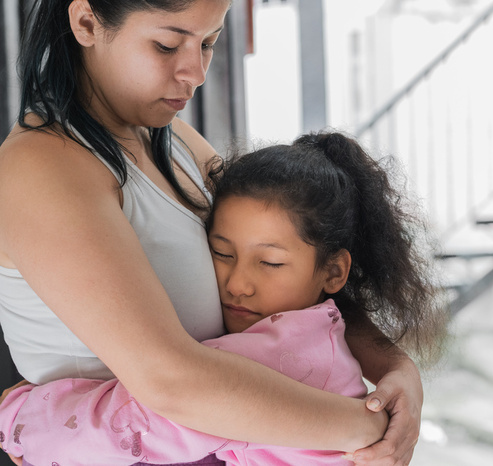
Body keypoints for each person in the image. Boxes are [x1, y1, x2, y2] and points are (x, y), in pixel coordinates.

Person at [0, 1, 428, 465]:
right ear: (86, 21)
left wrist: (395, 368)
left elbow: (301, 282)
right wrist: (367, 428)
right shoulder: (43, 168)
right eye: (166, 44)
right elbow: (171, 381)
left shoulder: (176, 142)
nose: (195, 72)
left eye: (207, 43)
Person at [0, 132, 446, 466]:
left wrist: (22, 420)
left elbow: (143, 422)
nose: (238, 284)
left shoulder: (273, 350)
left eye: (269, 264)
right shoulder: (311, 334)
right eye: (220, 252)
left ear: (334, 272)